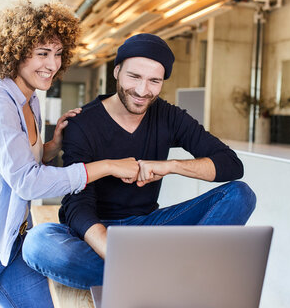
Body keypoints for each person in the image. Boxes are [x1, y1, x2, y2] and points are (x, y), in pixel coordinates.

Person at [0, 0, 139, 308]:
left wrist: (54, 144)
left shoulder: (29, 100)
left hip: (7, 243)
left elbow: (19, 163)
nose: (52, 64)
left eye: (59, 54)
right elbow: (26, 181)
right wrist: (107, 166)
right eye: (42, 54)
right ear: (16, 51)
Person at [22, 33, 257, 290]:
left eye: (154, 81)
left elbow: (231, 164)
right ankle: (175, 274)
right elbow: (77, 204)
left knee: (240, 194)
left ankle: (148, 272)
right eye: (134, 77)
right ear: (117, 71)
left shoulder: (168, 116)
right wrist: (113, 251)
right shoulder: (82, 122)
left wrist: (171, 166)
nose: (143, 90)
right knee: (38, 244)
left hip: (148, 227)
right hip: (96, 230)